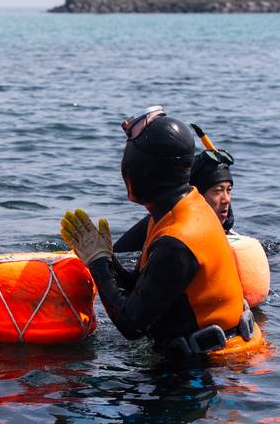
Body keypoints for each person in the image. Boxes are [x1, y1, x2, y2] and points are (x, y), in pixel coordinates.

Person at [61, 106, 258, 357]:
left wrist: (97, 262)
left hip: (212, 369)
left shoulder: (177, 240)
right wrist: (108, 259)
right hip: (217, 355)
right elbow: (145, 288)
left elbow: (131, 325)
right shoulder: (186, 205)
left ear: (146, 168)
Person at [114, 132, 235, 252]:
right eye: (217, 191)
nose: (226, 199)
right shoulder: (171, 227)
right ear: (197, 195)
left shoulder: (227, 231)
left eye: (228, 190)